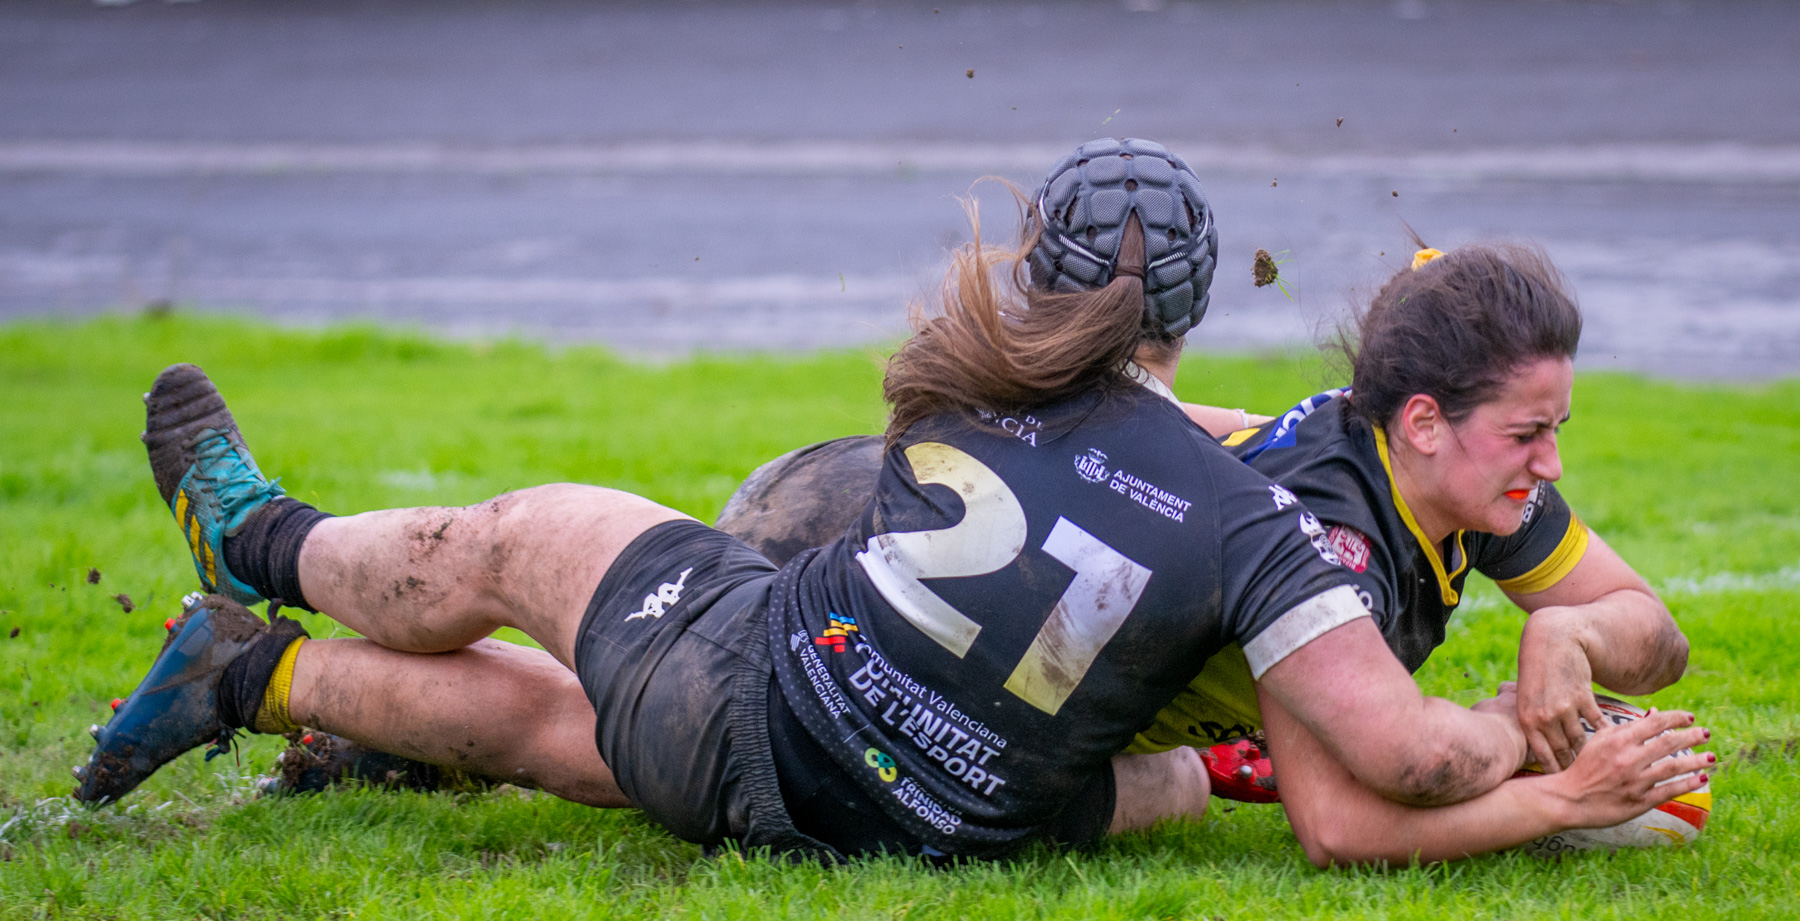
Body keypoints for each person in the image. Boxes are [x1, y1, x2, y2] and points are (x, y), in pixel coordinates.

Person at [76, 138, 1707, 864]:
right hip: (920, 805)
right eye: (1534, 435)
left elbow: (1558, 672)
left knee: (522, 541)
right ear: (1418, 422)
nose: (1548, 469)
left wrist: (1555, 674)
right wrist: (1542, 736)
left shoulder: (1020, 386)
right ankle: (253, 668)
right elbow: (1390, 761)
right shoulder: (1286, 532)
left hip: (790, 685)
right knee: (556, 718)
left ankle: (260, 540)